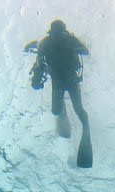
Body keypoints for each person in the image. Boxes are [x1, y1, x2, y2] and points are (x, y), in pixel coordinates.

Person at [28, 19, 93, 167]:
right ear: (51, 33)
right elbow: (39, 62)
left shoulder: (69, 39)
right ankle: (62, 109)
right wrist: (37, 75)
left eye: (60, 33)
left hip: (71, 81)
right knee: (56, 111)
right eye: (55, 34)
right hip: (59, 82)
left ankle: (85, 127)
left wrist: (75, 45)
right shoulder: (46, 43)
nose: (58, 36)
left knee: (79, 111)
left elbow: (85, 51)